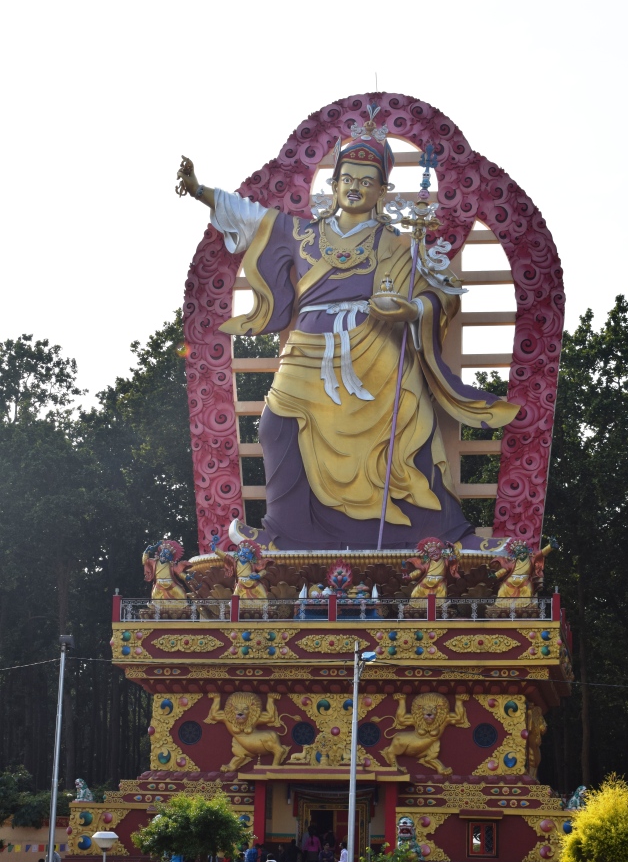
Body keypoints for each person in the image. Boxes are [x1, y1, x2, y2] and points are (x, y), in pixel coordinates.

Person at [176, 109, 518, 552]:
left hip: (378, 346)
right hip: (308, 348)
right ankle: (285, 533)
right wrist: (201, 190)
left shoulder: (399, 243)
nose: (354, 188)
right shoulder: (300, 234)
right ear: (333, 185)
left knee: (411, 426)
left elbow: (442, 296)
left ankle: (445, 536)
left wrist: (411, 309)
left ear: (382, 189)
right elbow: (250, 218)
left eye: (365, 180)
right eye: (347, 179)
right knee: (275, 426)